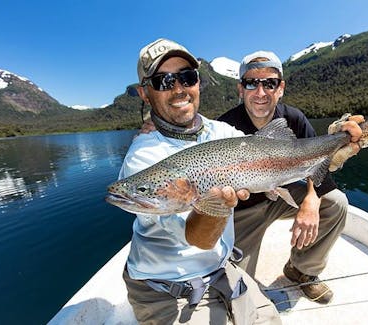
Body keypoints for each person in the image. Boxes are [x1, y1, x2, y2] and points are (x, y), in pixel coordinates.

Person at [118, 39, 281, 324]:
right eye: (163, 81)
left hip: (221, 268)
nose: (179, 88)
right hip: (165, 289)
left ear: (197, 83)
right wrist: (217, 206)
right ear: (146, 93)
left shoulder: (221, 132)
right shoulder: (143, 158)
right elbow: (199, 238)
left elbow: (265, 143)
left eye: (187, 77)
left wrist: (337, 141)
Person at [218, 50, 364, 304]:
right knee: (238, 295)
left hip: (281, 197)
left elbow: (318, 163)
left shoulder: (293, 118)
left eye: (269, 83)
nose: (261, 92)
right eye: (252, 83)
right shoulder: (224, 128)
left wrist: (312, 200)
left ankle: (301, 269)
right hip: (241, 212)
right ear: (240, 90)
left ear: (280, 88)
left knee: (336, 203)